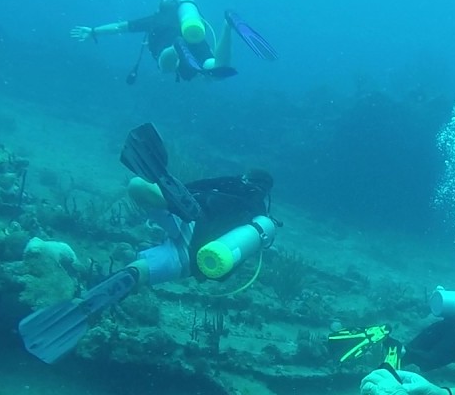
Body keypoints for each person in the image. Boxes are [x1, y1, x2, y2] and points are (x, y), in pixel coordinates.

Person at [18, 123, 279, 363]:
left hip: (188, 221)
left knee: (138, 186)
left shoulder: (235, 184)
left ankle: (173, 203)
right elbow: (226, 271)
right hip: (200, 259)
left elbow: (199, 187)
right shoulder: (260, 219)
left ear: (247, 178)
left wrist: (178, 195)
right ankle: (127, 279)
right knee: (141, 271)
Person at [70, 0, 276, 82]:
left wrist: (93, 31)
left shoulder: (154, 18)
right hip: (195, 40)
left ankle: (175, 49)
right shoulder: (192, 21)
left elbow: (118, 27)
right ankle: (227, 25)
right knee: (214, 67)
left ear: (160, 7)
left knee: (166, 67)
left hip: (171, 47)